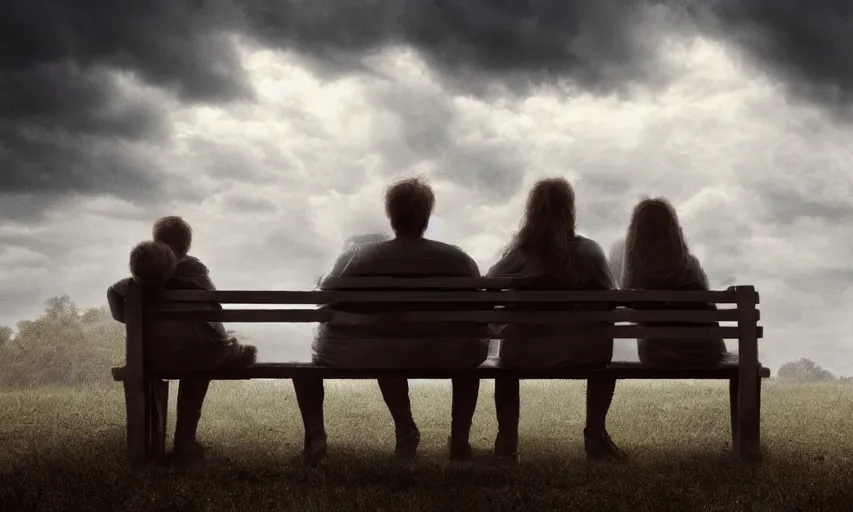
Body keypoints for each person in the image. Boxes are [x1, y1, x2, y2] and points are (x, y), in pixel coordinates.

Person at [294, 177, 489, 467]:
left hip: (370, 350)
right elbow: (480, 310)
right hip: (446, 353)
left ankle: (324, 438)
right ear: (427, 215)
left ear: (391, 215)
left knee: (385, 344)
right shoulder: (456, 259)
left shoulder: (358, 256)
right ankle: (459, 443)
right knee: (456, 354)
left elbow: (326, 302)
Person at [487, 178, 626, 463]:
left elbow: (487, 286)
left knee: (506, 367)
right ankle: (596, 436)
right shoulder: (589, 251)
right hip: (585, 354)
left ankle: (507, 442)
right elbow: (611, 300)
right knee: (604, 358)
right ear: (570, 210)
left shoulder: (519, 254)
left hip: (523, 354)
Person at [107, 240, 257, 465]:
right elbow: (215, 319)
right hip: (198, 358)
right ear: (171, 268)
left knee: (199, 359)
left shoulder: (128, 288)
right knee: (210, 359)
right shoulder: (197, 283)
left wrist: (131, 317)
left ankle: (159, 445)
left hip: (152, 361)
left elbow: (116, 302)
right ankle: (185, 442)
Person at [621, 198, 726, 368]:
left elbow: (631, 311)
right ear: (674, 231)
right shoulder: (692, 267)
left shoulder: (638, 278)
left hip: (659, 355)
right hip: (707, 353)